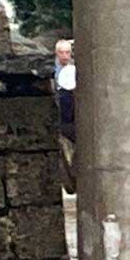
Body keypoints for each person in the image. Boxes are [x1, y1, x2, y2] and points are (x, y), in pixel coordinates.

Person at [54, 40, 77, 194]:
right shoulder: (52, 71)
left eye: (67, 52)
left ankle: (72, 182)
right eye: (61, 52)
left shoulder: (73, 71)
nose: (64, 55)